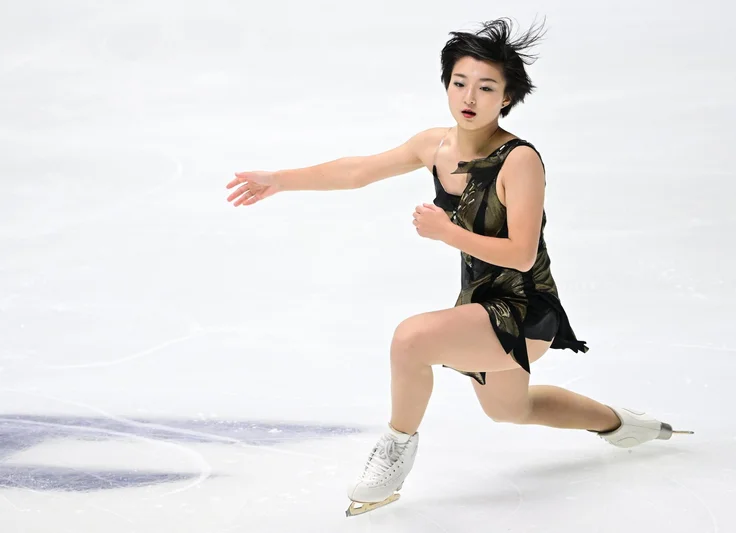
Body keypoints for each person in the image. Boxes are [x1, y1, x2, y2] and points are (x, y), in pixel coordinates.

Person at [225, 18, 691, 517]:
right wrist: (280, 179)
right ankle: (622, 424)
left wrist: (447, 232)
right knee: (510, 409)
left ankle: (395, 450)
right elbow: (358, 170)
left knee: (410, 340)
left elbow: (522, 254)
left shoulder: (519, 160)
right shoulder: (434, 145)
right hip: (480, 302)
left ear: (506, 98)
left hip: (524, 308)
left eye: (486, 87)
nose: (469, 97)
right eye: (459, 83)